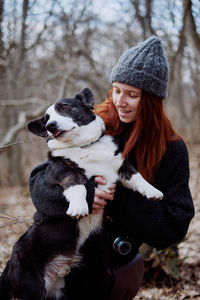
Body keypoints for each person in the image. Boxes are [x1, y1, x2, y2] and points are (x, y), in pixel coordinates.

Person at [29, 36, 194, 299]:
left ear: (151, 100)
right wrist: (85, 196)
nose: (120, 101)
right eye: (117, 90)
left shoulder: (171, 149)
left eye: (132, 95)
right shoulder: (92, 122)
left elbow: (176, 223)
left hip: (106, 263)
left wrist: (120, 195)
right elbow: (40, 182)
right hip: (52, 250)